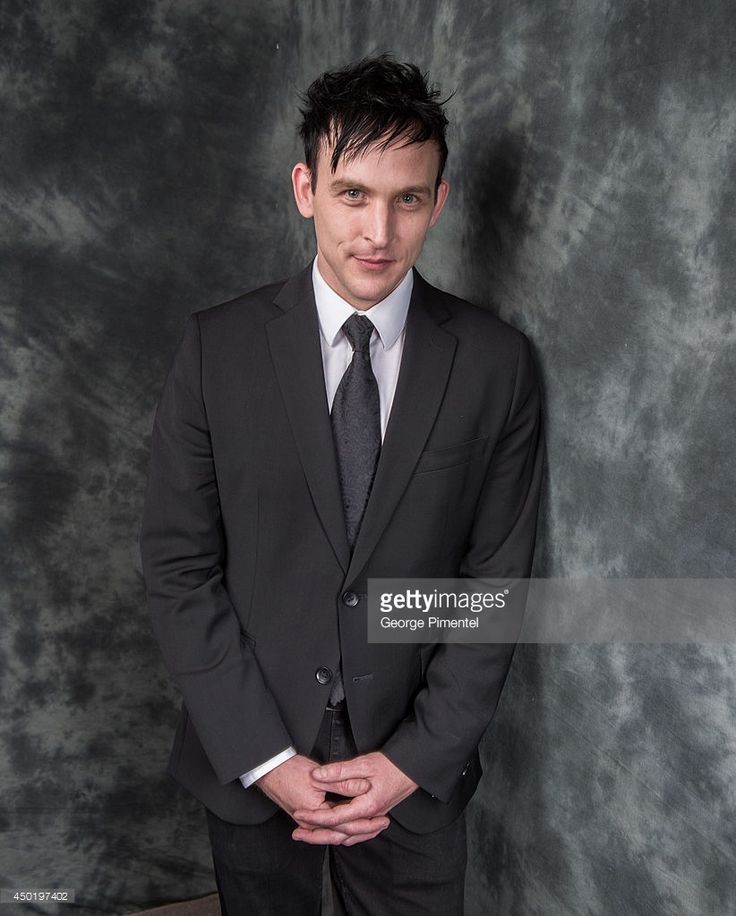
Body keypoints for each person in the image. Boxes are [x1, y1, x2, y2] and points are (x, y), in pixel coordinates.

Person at [140, 54, 543, 915]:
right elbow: (179, 570)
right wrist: (266, 761)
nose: (378, 232)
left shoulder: (497, 366)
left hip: (416, 776)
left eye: (407, 199)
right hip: (253, 766)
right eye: (353, 193)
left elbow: (493, 589)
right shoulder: (217, 351)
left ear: (438, 202)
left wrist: (410, 763)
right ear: (305, 189)